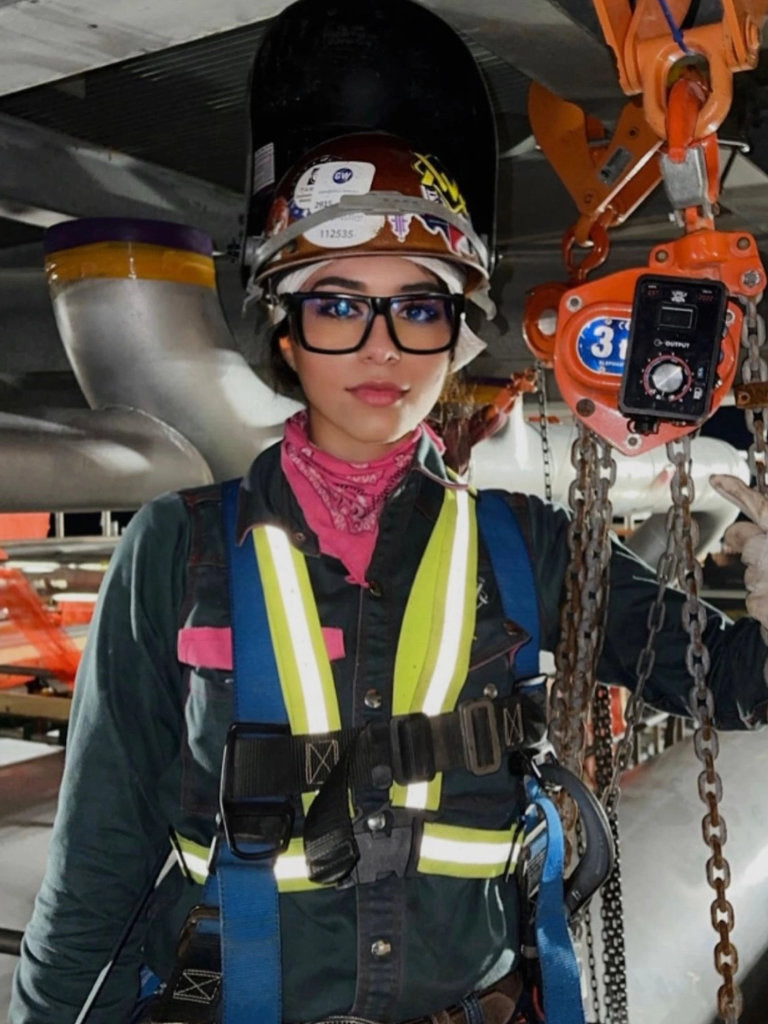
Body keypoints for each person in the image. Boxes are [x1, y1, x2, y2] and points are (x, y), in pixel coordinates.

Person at [10, 131, 768, 1024]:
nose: (383, 349)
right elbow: (101, 847)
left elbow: (730, 685)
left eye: (419, 308)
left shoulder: (525, 543)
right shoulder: (179, 548)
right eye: (339, 307)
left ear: (457, 335)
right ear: (285, 332)